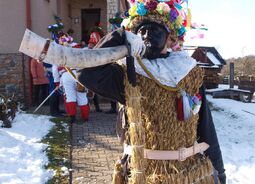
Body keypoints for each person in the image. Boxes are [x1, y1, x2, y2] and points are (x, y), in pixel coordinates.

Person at [20, 1, 225, 183]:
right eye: (140, 31)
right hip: (143, 173)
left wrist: (220, 173)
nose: (145, 36)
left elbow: (206, 127)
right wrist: (119, 36)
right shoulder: (128, 73)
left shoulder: (189, 72)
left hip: (188, 174)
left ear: (170, 37)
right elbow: (86, 73)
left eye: (154, 30)